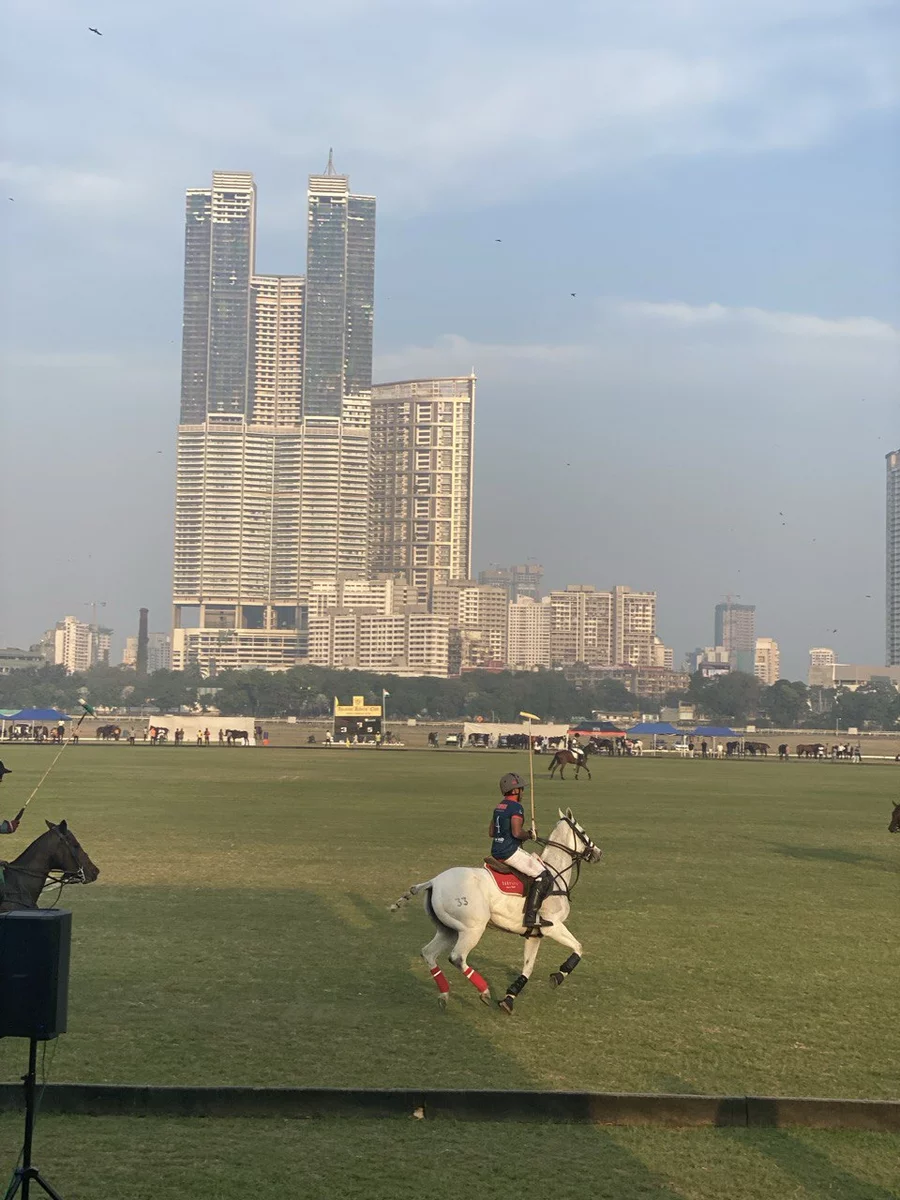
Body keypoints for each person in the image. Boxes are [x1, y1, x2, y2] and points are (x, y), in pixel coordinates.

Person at [489, 772, 553, 933]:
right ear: (515, 790)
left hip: (496, 849)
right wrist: (530, 834)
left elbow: (491, 832)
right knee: (543, 875)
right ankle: (531, 917)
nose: (523, 792)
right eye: (521, 789)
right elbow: (517, 833)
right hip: (509, 851)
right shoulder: (516, 807)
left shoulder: (499, 806)